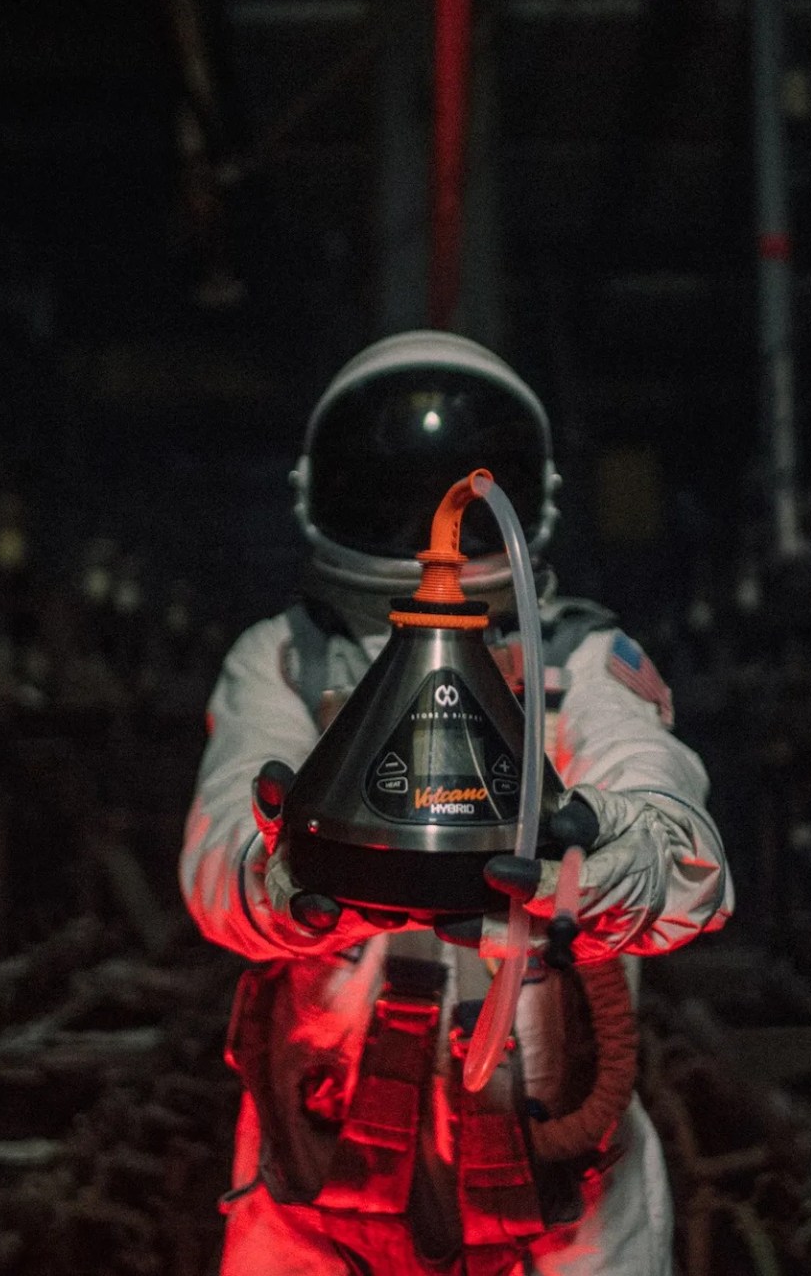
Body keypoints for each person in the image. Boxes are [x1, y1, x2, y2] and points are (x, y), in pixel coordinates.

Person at [181, 331, 731, 1274]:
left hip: (555, 1200)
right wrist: (292, 876)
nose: (418, 527)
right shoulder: (284, 658)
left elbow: (685, 858)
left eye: (442, 494)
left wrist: (594, 864)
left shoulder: (578, 663)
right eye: (385, 493)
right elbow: (221, 853)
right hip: (322, 1188)